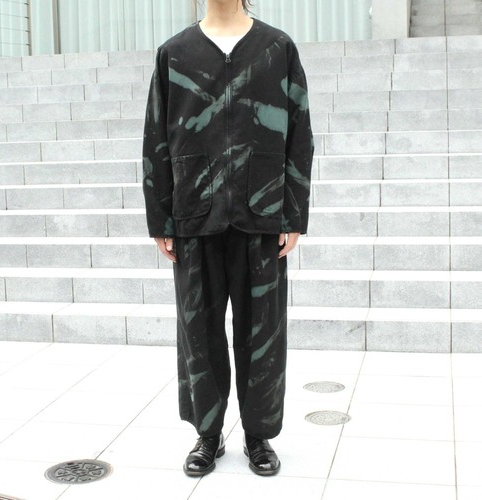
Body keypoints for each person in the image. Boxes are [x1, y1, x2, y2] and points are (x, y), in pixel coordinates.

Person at [142, 0, 313, 477]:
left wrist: (293, 212)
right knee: (198, 331)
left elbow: (300, 132)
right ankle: (208, 433)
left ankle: (258, 434)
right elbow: (155, 137)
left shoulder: (277, 47)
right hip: (194, 212)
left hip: (262, 210)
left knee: (264, 332)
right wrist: (161, 218)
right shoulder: (174, 53)